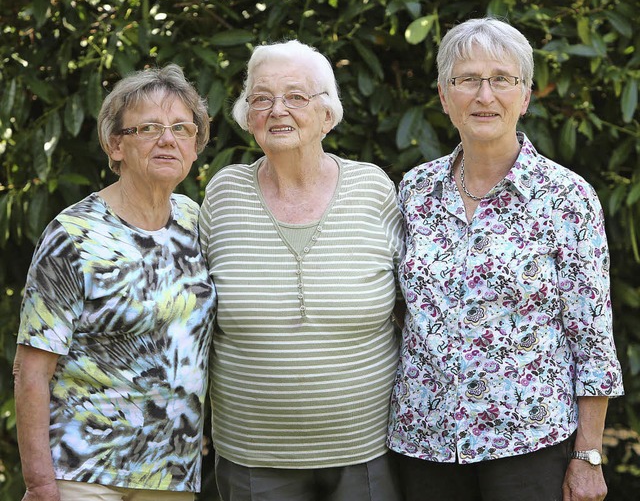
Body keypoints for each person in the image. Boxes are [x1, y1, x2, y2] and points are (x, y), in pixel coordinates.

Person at [387, 17, 624, 501]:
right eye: (468, 79)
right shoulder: (413, 191)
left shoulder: (567, 197)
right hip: (424, 444)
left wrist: (589, 453)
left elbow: (592, 335)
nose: (484, 95)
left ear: (526, 95)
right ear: (443, 95)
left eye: (501, 80)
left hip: (530, 446)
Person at [199, 39, 404, 501]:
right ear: (247, 116)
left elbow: (415, 304)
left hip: (366, 451)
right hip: (253, 455)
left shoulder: (372, 188)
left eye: (295, 96)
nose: (277, 110)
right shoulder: (224, 193)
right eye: (262, 98)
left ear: (328, 114)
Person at [13, 64, 216, 501]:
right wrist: (40, 483)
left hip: (172, 475)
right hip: (83, 473)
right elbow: (31, 369)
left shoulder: (196, 222)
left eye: (182, 128)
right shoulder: (73, 235)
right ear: (115, 144)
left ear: (196, 146)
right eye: (149, 127)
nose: (168, 139)